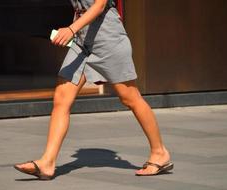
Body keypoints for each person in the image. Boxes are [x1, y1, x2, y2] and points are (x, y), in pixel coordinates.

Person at [14, 0, 173, 180]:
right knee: (61, 97)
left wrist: (71, 29)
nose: (78, 154)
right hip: (82, 40)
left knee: (130, 98)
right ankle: (47, 162)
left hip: (107, 37)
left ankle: (159, 152)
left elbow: (98, 6)